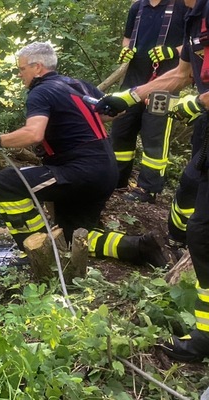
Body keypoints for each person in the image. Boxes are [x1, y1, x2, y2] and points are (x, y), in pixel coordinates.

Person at [0, 42, 168, 269]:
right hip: (105, 170)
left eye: (22, 69)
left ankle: (37, 249)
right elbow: (116, 111)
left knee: (6, 182)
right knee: (71, 236)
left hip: (80, 170)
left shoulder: (40, 91)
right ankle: (138, 247)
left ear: (37, 67)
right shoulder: (77, 84)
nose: (20, 75)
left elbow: (34, 134)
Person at [94, 0, 209, 363]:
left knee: (203, 233)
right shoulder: (194, 17)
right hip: (202, 128)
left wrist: (197, 103)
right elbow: (181, 73)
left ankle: (204, 339)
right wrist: (128, 96)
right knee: (201, 230)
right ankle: (204, 335)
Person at [111, 0, 187, 204]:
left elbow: (193, 41)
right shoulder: (138, 7)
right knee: (121, 130)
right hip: (133, 82)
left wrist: (173, 51)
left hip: (166, 84)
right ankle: (117, 180)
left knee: (155, 136)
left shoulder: (182, 6)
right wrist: (127, 49)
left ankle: (148, 189)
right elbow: (127, 38)